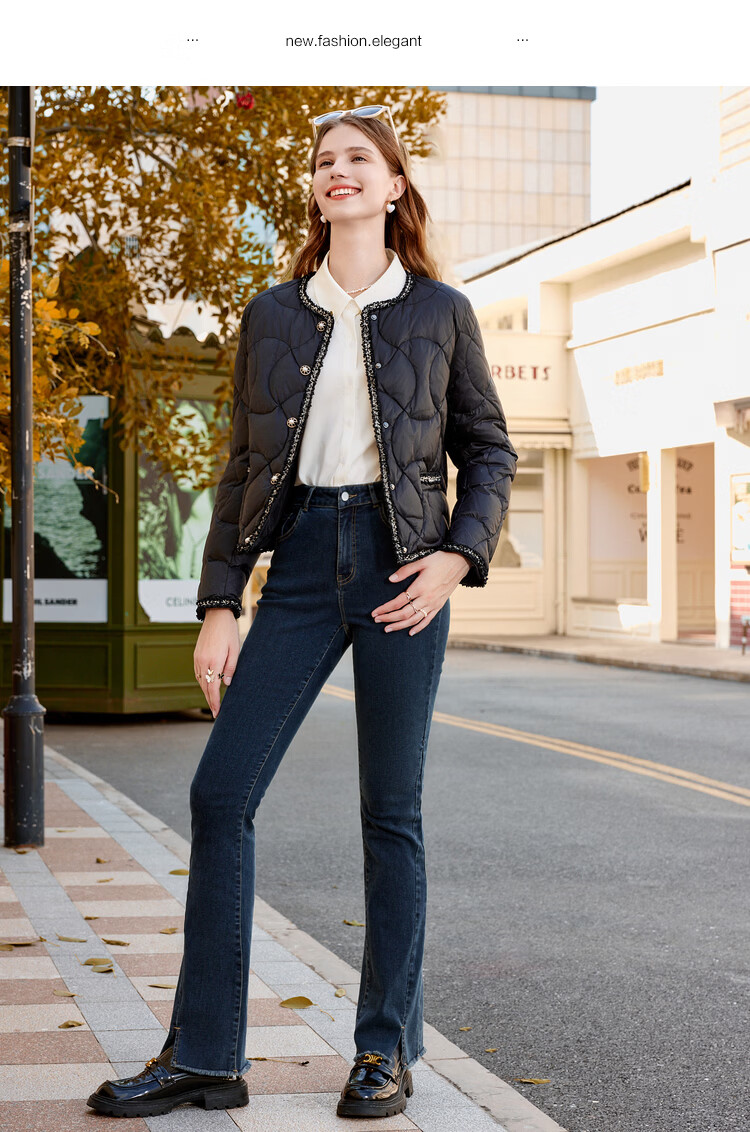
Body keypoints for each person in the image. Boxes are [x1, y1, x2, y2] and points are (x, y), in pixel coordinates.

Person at [87, 103, 517, 1121]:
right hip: (302, 561)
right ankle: (205, 1055)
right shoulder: (275, 314)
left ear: (395, 185)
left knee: (390, 812)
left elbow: (489, 449)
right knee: (220, 793)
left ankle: (383, 1049)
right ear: (316, 189)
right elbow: (244, 466)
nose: (338, 170)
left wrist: (459, 556)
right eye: (325, 160)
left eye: (359, 158)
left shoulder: (440, 311)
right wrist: (220, 603)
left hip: (405, 567)